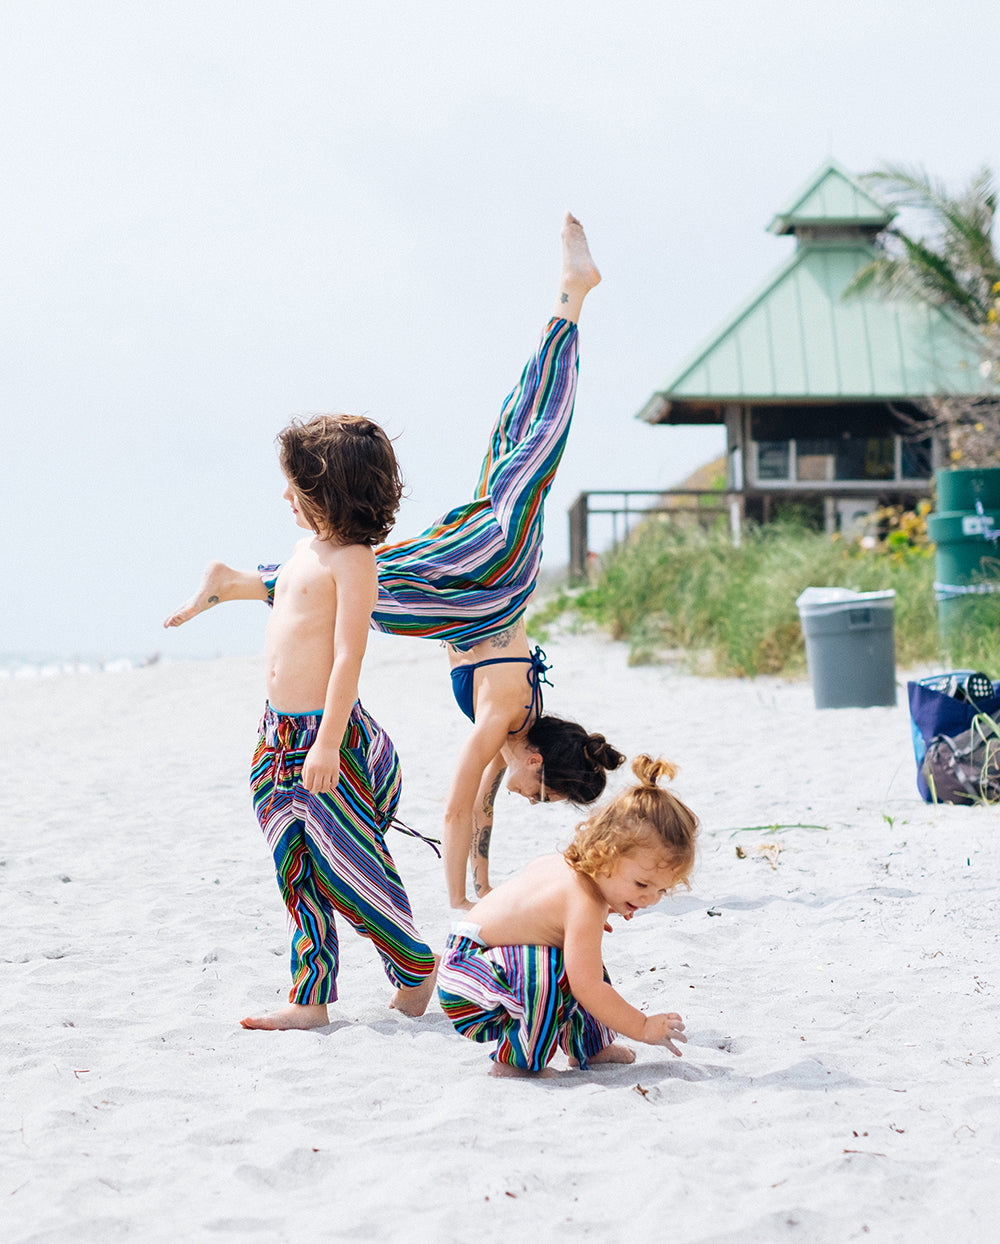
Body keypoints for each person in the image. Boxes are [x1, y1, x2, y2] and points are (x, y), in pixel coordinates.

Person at [164, 213, 623, 911]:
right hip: (483, 585)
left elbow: (482, 811)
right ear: (535, 761)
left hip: (465, 594)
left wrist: (485, 882)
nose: (529, 799)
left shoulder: (516, 724)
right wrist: (462, 906)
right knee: (528, 451)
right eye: (542, 794)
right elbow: (457, 810)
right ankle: (572, 293)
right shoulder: (503, 716)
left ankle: (238, 582)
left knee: (504, 455)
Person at [167, 412, 438, 1031]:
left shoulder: (354, 562)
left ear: (329, 492)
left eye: (296, 486)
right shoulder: (303, 552)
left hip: (331, 738)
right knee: (296, 866)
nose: (285, 495)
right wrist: (220, 588)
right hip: (276, 735)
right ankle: (310, 997)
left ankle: (413, 965)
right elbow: (280, 593)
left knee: (349, 864)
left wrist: (328, 744)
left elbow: (348, 658)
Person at [436, 755, 698, 1077]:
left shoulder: (567, 871)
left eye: (661, 890)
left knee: (580, 962)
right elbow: (588, 988)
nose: (650, 899)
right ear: (604, 853)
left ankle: (591, 1047)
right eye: (641, 884)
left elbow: (528, 901)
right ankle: (518, 1062)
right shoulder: (583, 901)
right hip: (468, 977)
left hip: (487, 967)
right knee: (552, 973)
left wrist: (582, 918)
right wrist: (642, 1026)